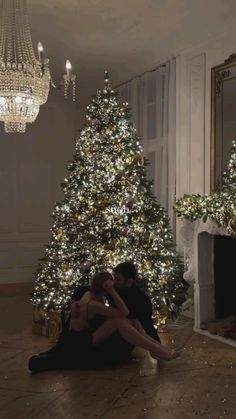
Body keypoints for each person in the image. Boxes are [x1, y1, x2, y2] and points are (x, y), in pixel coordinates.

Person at [29, 270, 180, 371]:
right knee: (120, 321)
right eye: (111, 283)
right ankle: (159, 351)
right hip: (80, 342)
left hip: (87, 336)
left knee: (125, 322)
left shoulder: (94, 296)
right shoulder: (92, 303)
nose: (114, 284)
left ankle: (159, 350)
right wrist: (112, 291)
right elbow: (124, 311)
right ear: (105, 286)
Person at [98, 261, 162, 365]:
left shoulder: (142, 299)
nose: (113, 282)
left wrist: (157, 347)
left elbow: (147, 324)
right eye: (114, 278)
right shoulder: (112, 292)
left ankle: (159, 350)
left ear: (129, 281)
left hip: (129, 335)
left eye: (118, 279)